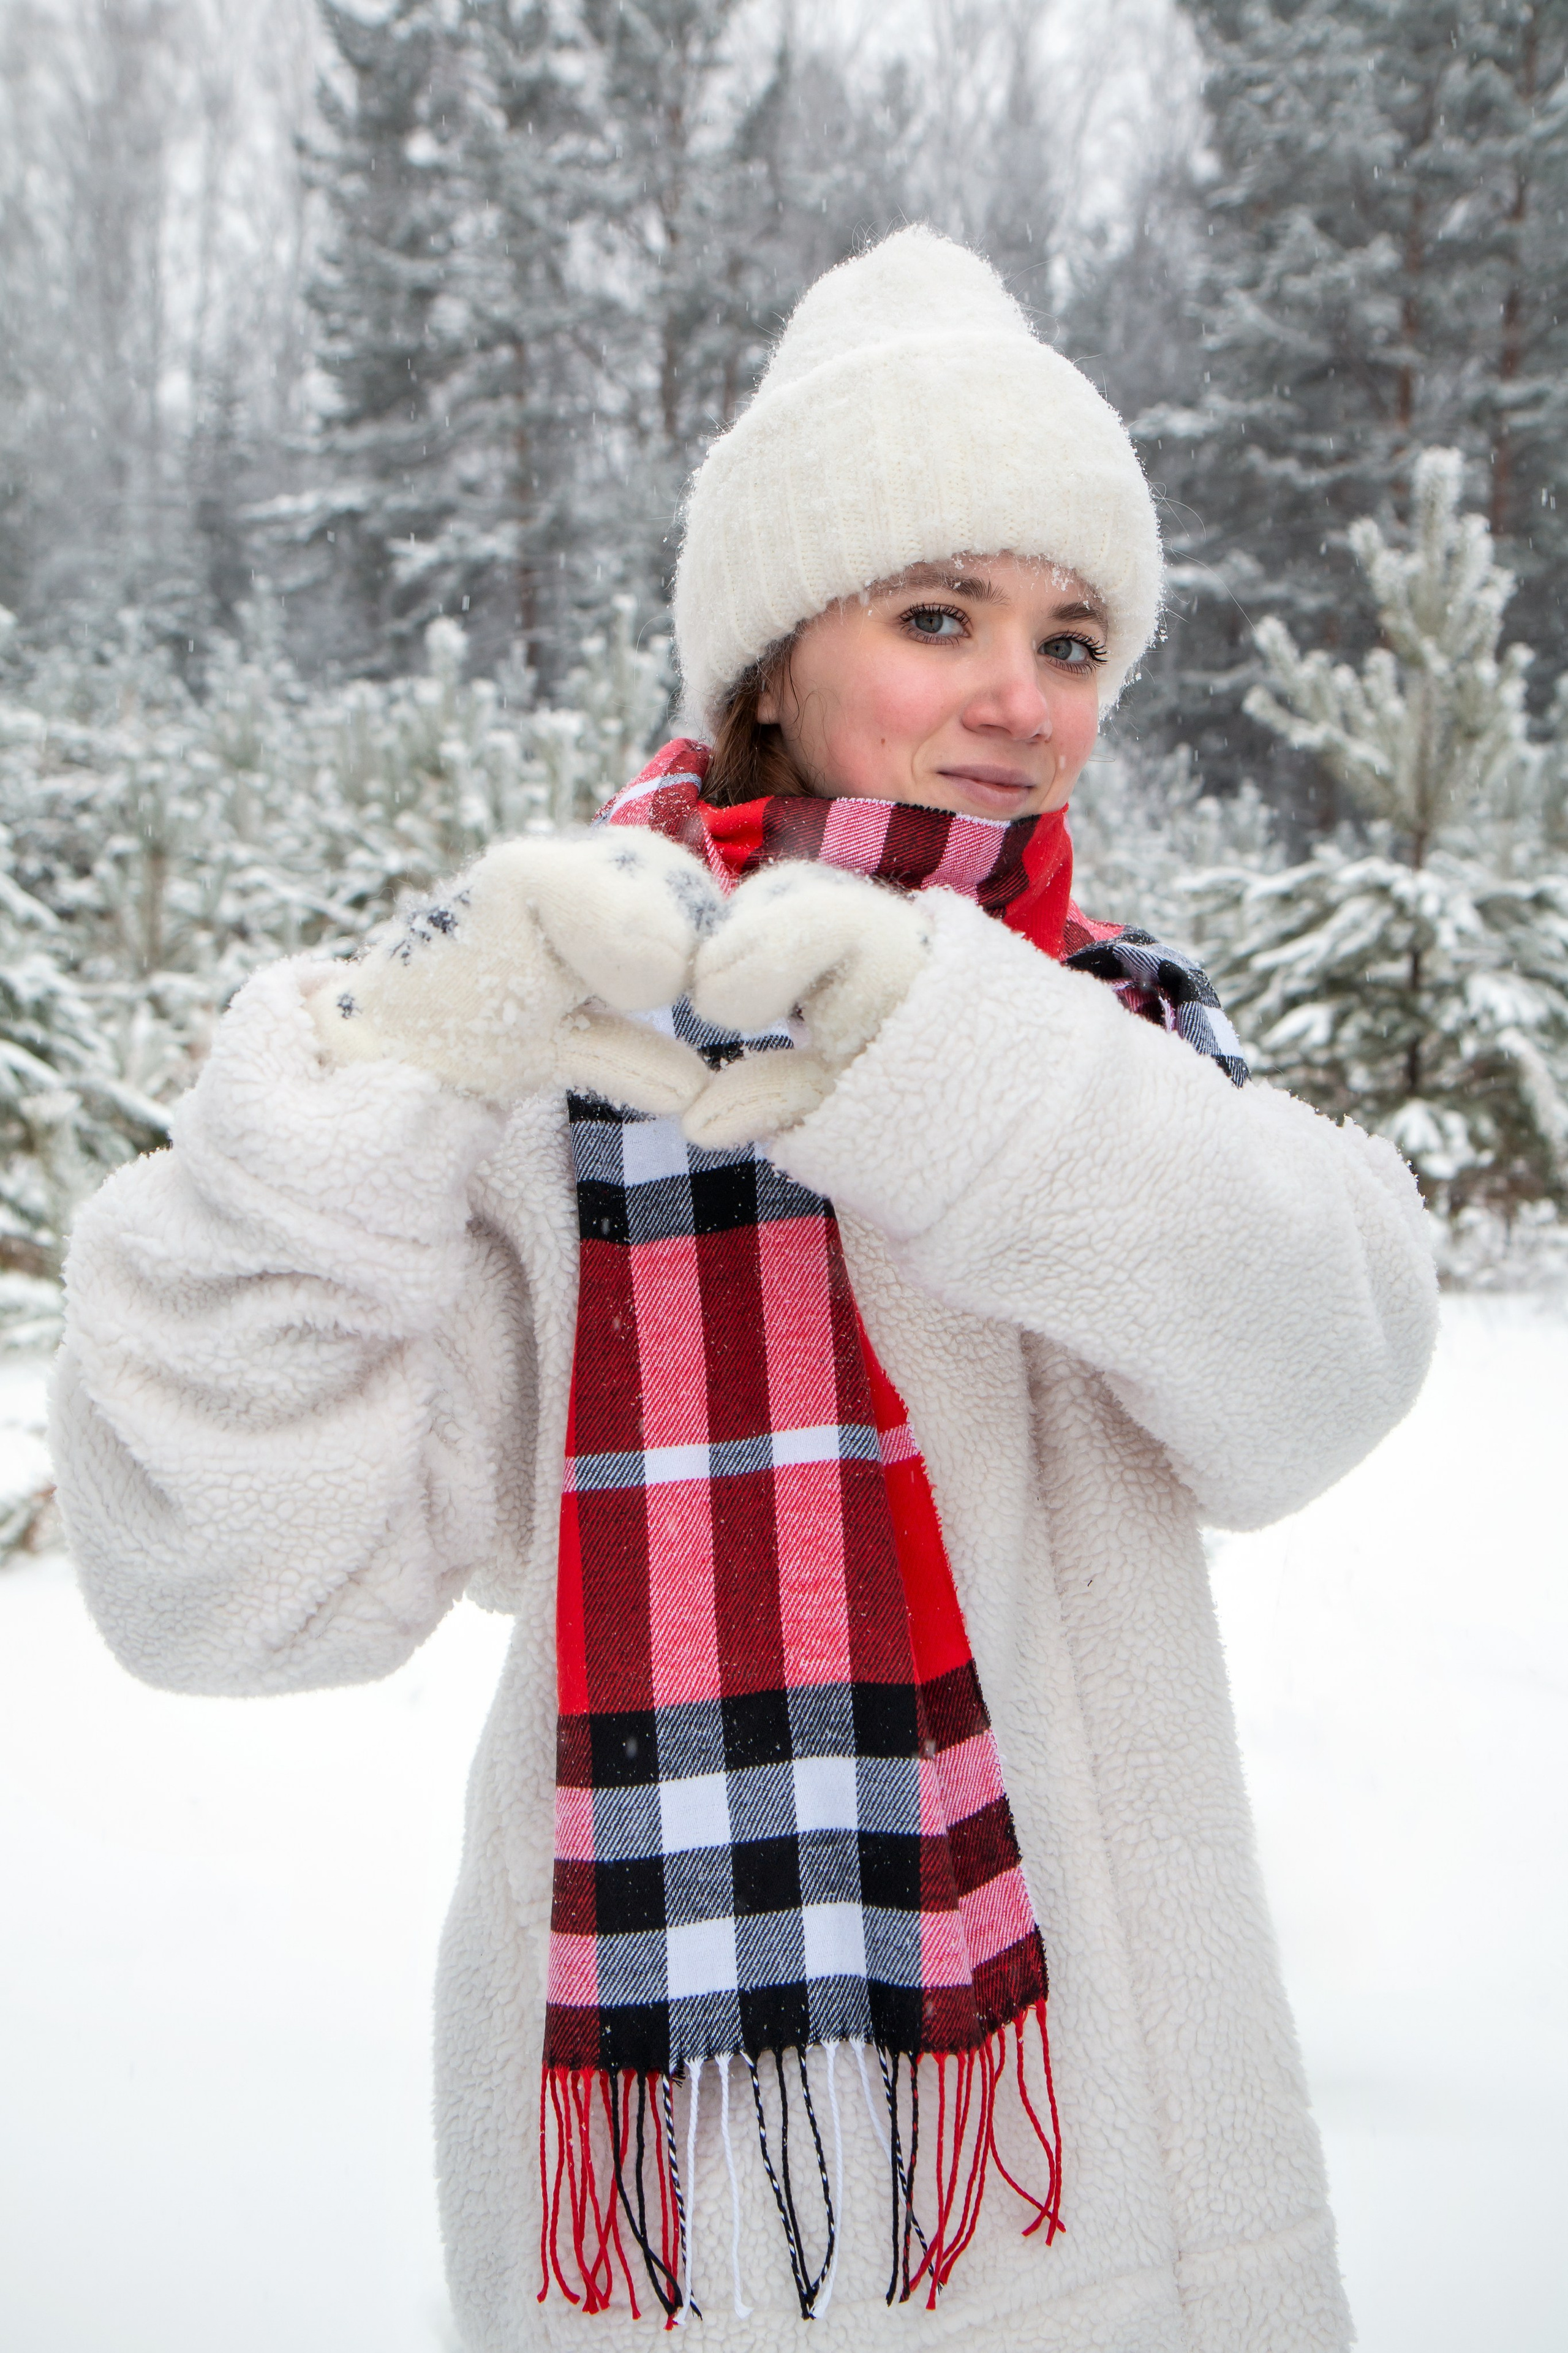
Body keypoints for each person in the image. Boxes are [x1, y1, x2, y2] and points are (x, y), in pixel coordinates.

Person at [51, 229, 1436, 2353]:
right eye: (943, 615)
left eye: (1073, 637)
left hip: (1132, 2203)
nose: (1021, 696)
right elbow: (218, 1586)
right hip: (689, 2237)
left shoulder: (1115, 1040)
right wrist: (380, 1076)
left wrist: (954, 1055)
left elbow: (1323, 1373)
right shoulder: (564, 1053)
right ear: (773, 666)